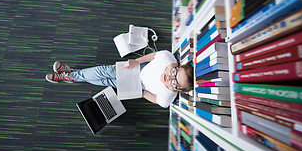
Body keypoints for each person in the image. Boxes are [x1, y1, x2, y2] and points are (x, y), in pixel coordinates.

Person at [45, 50, 194, 108]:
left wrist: (140, 93)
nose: (169, 76)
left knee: (106, 81)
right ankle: (71, 76)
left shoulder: (168, 98)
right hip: (138, 68)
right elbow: (154, 55)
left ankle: (71, 75)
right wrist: (137, 61)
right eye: (174, 71)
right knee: (103, 71)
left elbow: (156, 99)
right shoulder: (167, 57)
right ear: (178, 66)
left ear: (178, 89)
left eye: (174, 82)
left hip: (137, 85)